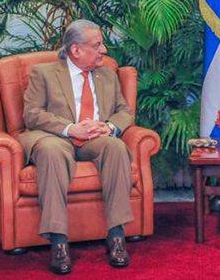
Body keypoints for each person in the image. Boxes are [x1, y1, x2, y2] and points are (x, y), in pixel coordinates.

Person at [20, 19, 135, 274]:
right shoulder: (44, 73)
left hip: (94, 138)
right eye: (97, 45)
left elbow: (124, 112)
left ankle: (116, 235)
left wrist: (108, 127)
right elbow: (32, 114)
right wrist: (71, 128)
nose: (104, 50)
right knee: (51, 152)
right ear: (76, 50)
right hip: (56, 136)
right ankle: (59, 241)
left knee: (116, 148)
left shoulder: (107, 74)